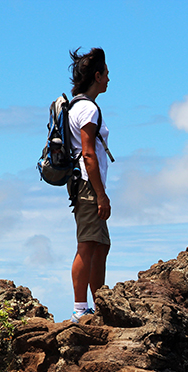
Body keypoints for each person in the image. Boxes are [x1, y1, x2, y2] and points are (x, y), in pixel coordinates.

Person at [68, 47, 112, 323]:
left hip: (84, 184)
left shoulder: (77, 105)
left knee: (101, 245)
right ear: (97, 76)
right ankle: (80, 309)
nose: (109, 79)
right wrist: (100, 195)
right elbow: (88, 153)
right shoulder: (87, 109)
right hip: (87, 184)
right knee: (86, 244)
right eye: (106, 74)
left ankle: (100, 304)